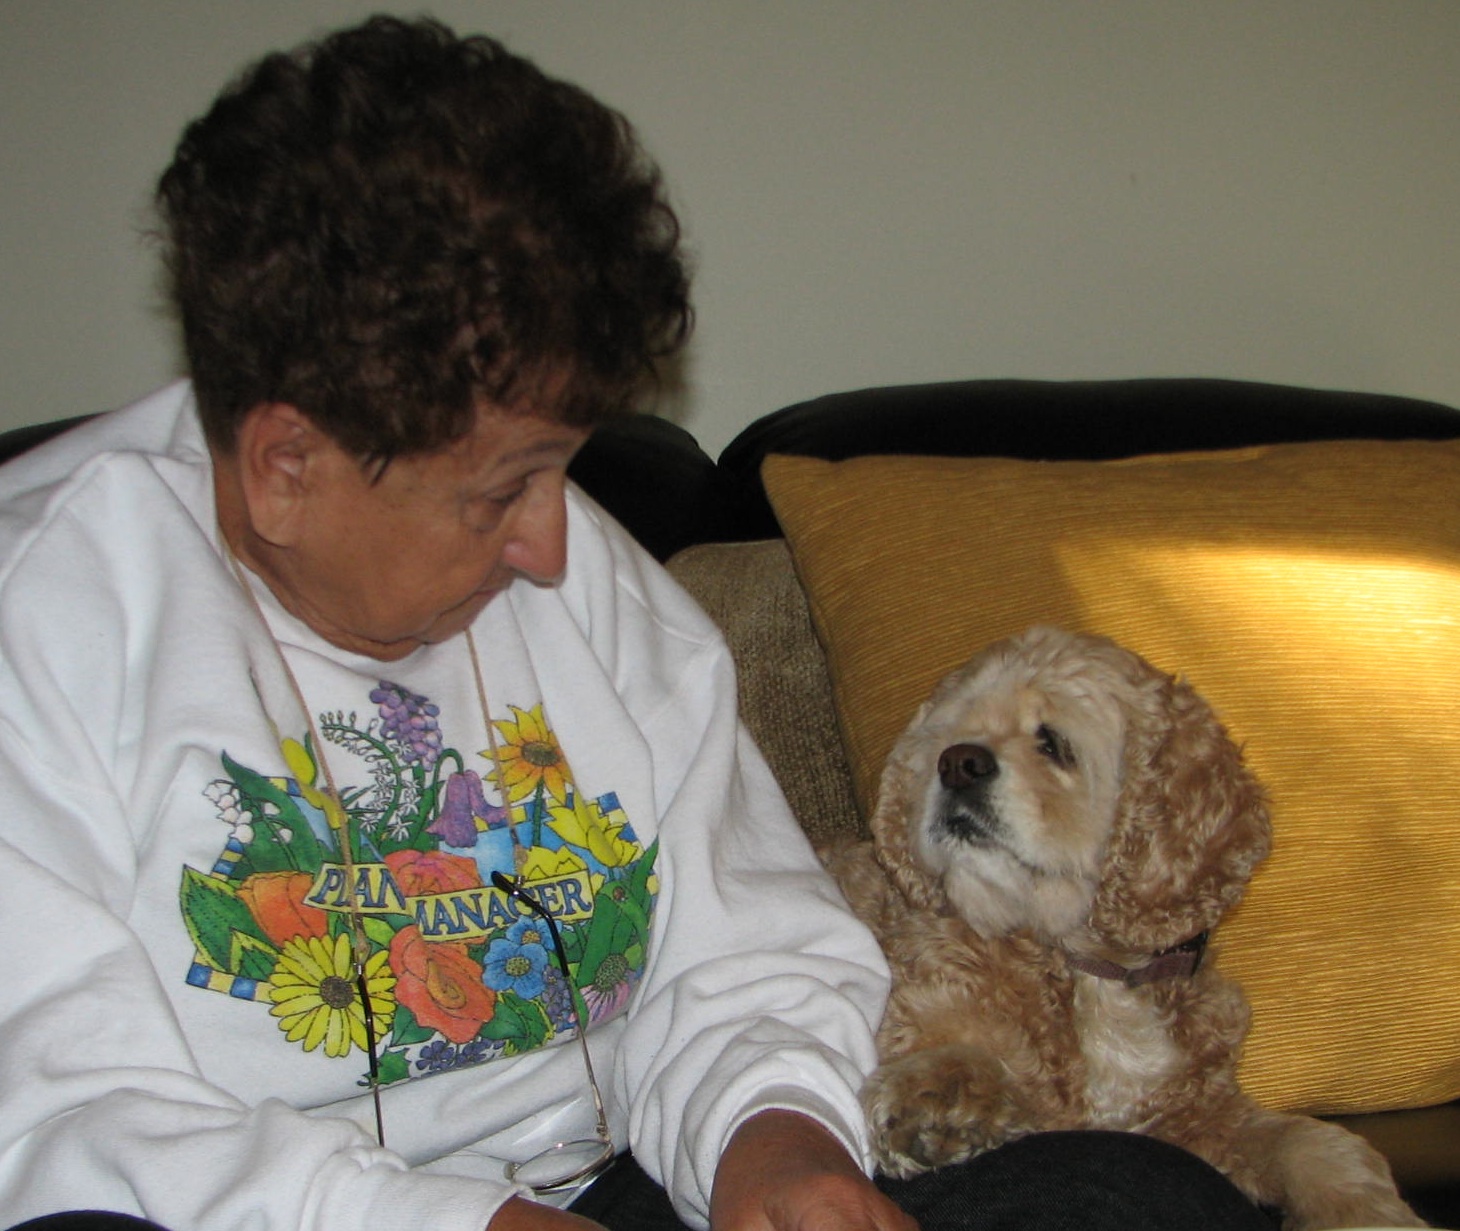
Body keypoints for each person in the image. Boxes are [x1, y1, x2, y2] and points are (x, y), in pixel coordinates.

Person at [0, 16, 1276, 1231]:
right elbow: (67, 1101)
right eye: (501, 490)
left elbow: (748, 952)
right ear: (287, 464)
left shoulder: (591, 586)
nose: (557, 545)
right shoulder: (47, 603)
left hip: (610, 1188)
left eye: (563, 469)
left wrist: (772, 1140)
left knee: (1131, 1197)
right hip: (254, 1213)